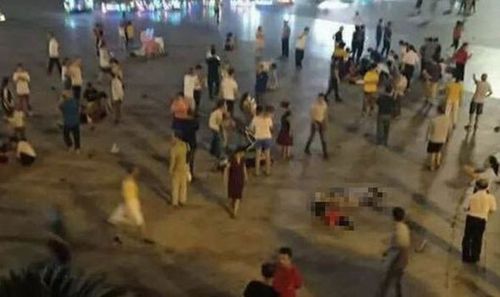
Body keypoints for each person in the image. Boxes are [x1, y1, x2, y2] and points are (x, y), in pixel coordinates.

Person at [377, 207, 410, 297]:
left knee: (387, 280)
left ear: (393, 217)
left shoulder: (397, 229)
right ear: (403, 217)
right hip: (405, 257)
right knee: (398, 280)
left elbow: (395, 246)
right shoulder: (405, 227)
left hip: (399, 257)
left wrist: (385, 253)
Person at [461, 179, 496, 264]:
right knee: (478, 238)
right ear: (487, 187)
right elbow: (493, 209)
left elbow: (465, 207)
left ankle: (466, 256)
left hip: (471, 218)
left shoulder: (471, 196)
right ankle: (475, 256)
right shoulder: (490, 197)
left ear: (476, 186)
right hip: (482, 219)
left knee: (467, 237)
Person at [108, 166, 147, 238]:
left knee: (118, 219)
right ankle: (143, 237)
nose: (137, 173)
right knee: (140, 222)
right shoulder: (130, 182)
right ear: (133, 172)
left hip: (128, 201)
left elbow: (123, 193)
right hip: (132, 202)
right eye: (136, 171)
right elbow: (131, 193)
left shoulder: (125, 181)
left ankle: (118, 235)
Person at [224, 147, 248, 218]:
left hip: (240, 179)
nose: (243, 154)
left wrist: (246, 176)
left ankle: (235, 212)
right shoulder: (231, 160)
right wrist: (225, 178)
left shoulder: (243, 159)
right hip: (232, 180)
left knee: (238, 196)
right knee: (232, 197)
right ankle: (233, 206)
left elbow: (244, 168)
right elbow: (226, 169)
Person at [250, 105, 273, 176]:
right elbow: (271, 128)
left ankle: (257, 172)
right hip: (267, 137)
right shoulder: (268, 118)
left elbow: (251, 129)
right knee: (267, 155)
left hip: (258, 138)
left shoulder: (255, 119)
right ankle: (268, 171)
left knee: (258, 155)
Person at [304, 93, 328, 159]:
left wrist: (325, 123)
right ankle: (306, 148)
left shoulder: (324, 104)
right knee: (312, 136)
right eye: (320, 98)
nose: (321, 100)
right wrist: (315, 124)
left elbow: (325, 114)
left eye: (322, 98)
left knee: (323, 138)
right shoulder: (314, 106)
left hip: (321, 122)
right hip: (315, 122)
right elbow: (312, 116)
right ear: (318, 98)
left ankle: (325, 153)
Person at [427, 105, 450, 171]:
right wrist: (447, 137)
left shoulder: (433, 120)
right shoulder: (447, 119)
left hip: (433, 139)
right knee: (438, 151)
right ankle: (438, 163)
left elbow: (430, 131)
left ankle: (432, 166)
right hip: (442, 139)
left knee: (433, 153)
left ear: (438, 111)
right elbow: (449, 130)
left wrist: (427, 138)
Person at [169, 133, 189, 207]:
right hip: (184, 167)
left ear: (177, 138)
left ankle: (175, 202)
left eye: (173, 137)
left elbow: (172, 161)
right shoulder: (184, 145)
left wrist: (170, 170)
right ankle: (182, 200)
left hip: (177, 169)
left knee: (175, 186)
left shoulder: (174, 149)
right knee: (183, 185)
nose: (172, 139)